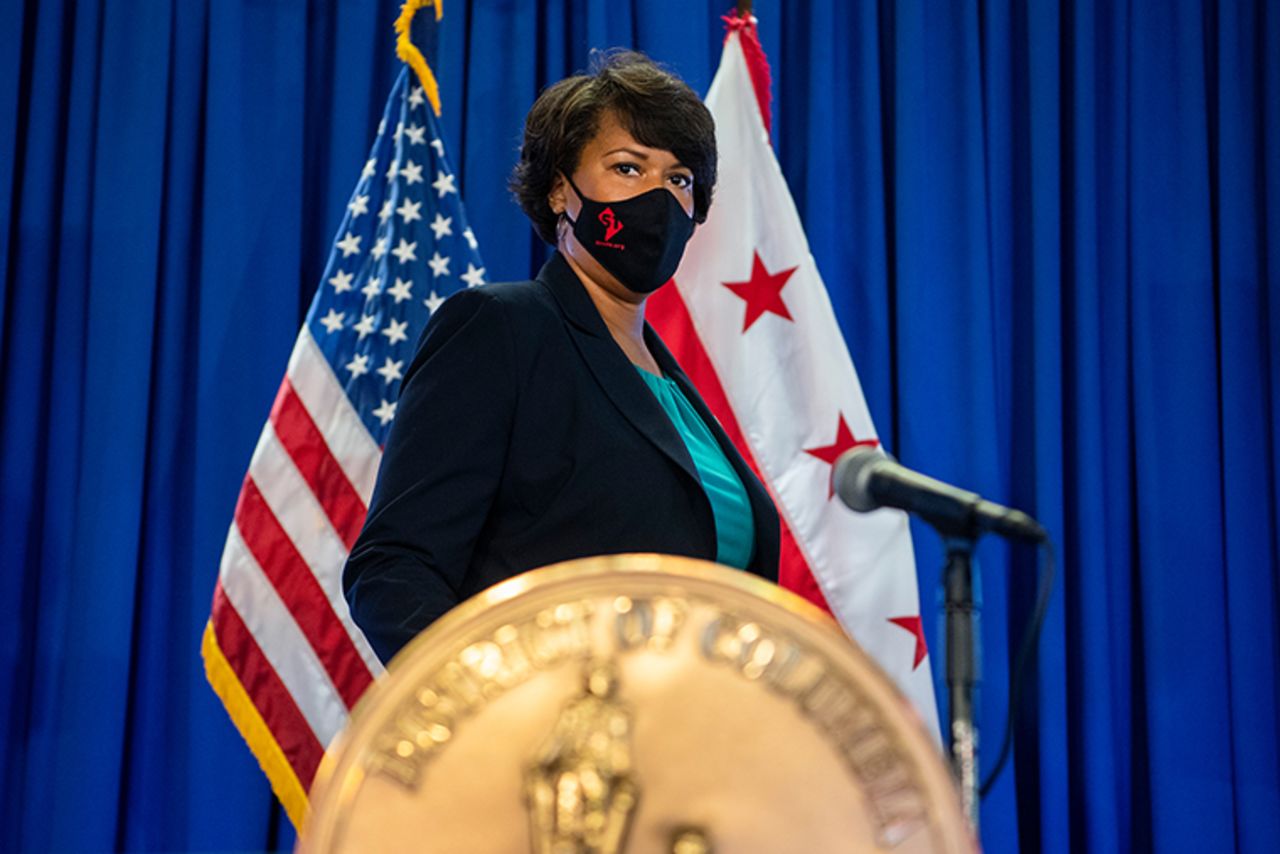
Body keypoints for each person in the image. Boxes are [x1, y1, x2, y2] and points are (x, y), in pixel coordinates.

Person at [344, 51, 781, 664]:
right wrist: (502, 716)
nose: (658, 197)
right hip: (548, 746)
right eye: (628, 168)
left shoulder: (676, 390)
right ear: (558, 190)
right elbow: (393, 569)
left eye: (679, 179)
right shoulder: (502, 329)